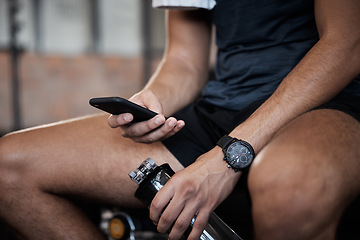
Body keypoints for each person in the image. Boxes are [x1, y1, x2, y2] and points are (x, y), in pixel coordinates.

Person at [1, 0, 360, 239]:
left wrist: (227, 157)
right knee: (9, 167)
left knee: (291, 188)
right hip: (221, 110)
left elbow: (346, 44)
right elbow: (184, 62)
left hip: (325, 106)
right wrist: (153, 101)